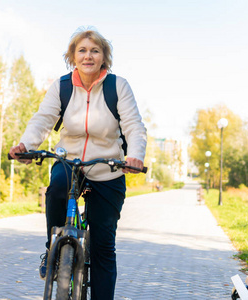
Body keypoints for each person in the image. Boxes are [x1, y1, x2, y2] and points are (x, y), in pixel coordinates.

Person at [9, 27, 147, 299]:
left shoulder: (117, 86)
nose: (88, 56)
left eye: (94, 50)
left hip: (107, 168)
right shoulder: (62, 86)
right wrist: (27, 145)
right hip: (70, 161)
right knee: (57, 189)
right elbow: (43, 119)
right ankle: (53, 247)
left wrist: (136, 156)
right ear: (72, 56)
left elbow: (134, 125)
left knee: (104, 247)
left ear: (103, 57)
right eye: (82, 50)